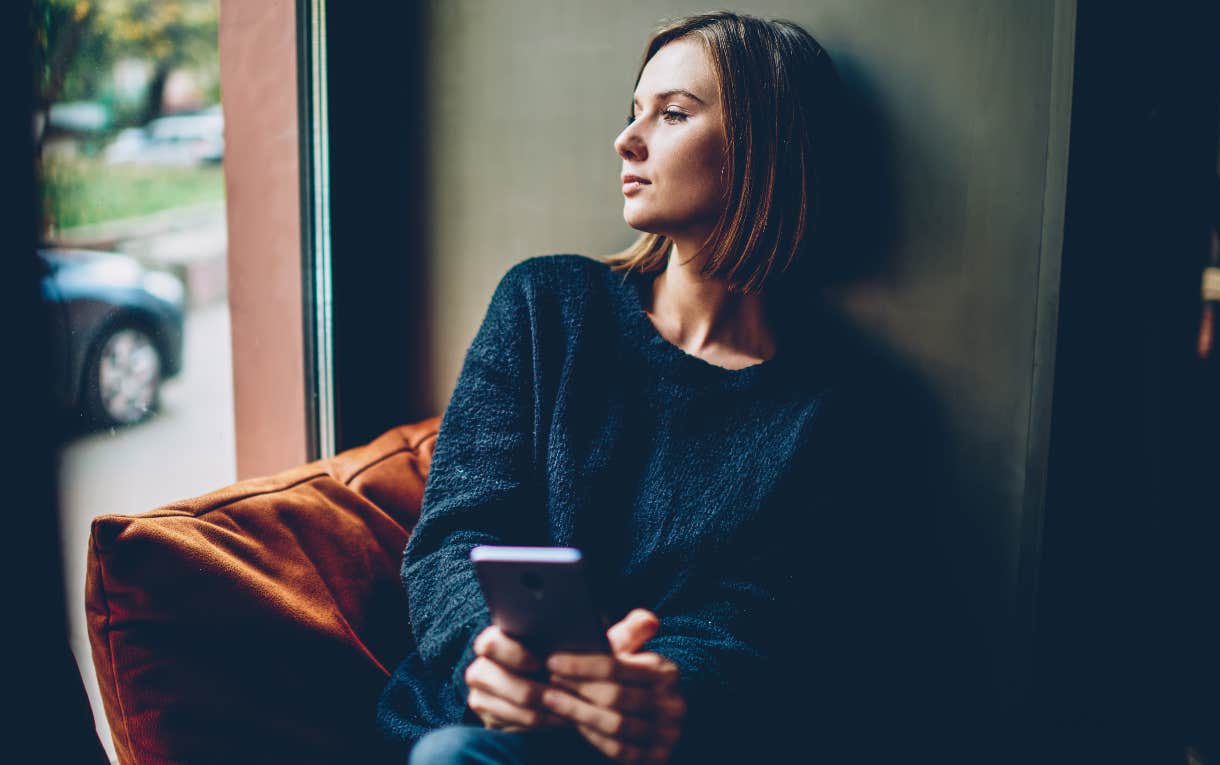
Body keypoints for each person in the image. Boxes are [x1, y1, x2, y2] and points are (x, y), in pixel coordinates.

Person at [376, 11, 968, 765]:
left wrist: (662, 692)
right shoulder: (547, 305)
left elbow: (762, 622)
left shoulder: (839, 408)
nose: (627, 139)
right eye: (634, 112)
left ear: (765, 146)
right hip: (476, 720)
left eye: (673, 114)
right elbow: (455, 533)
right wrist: (488, 656)